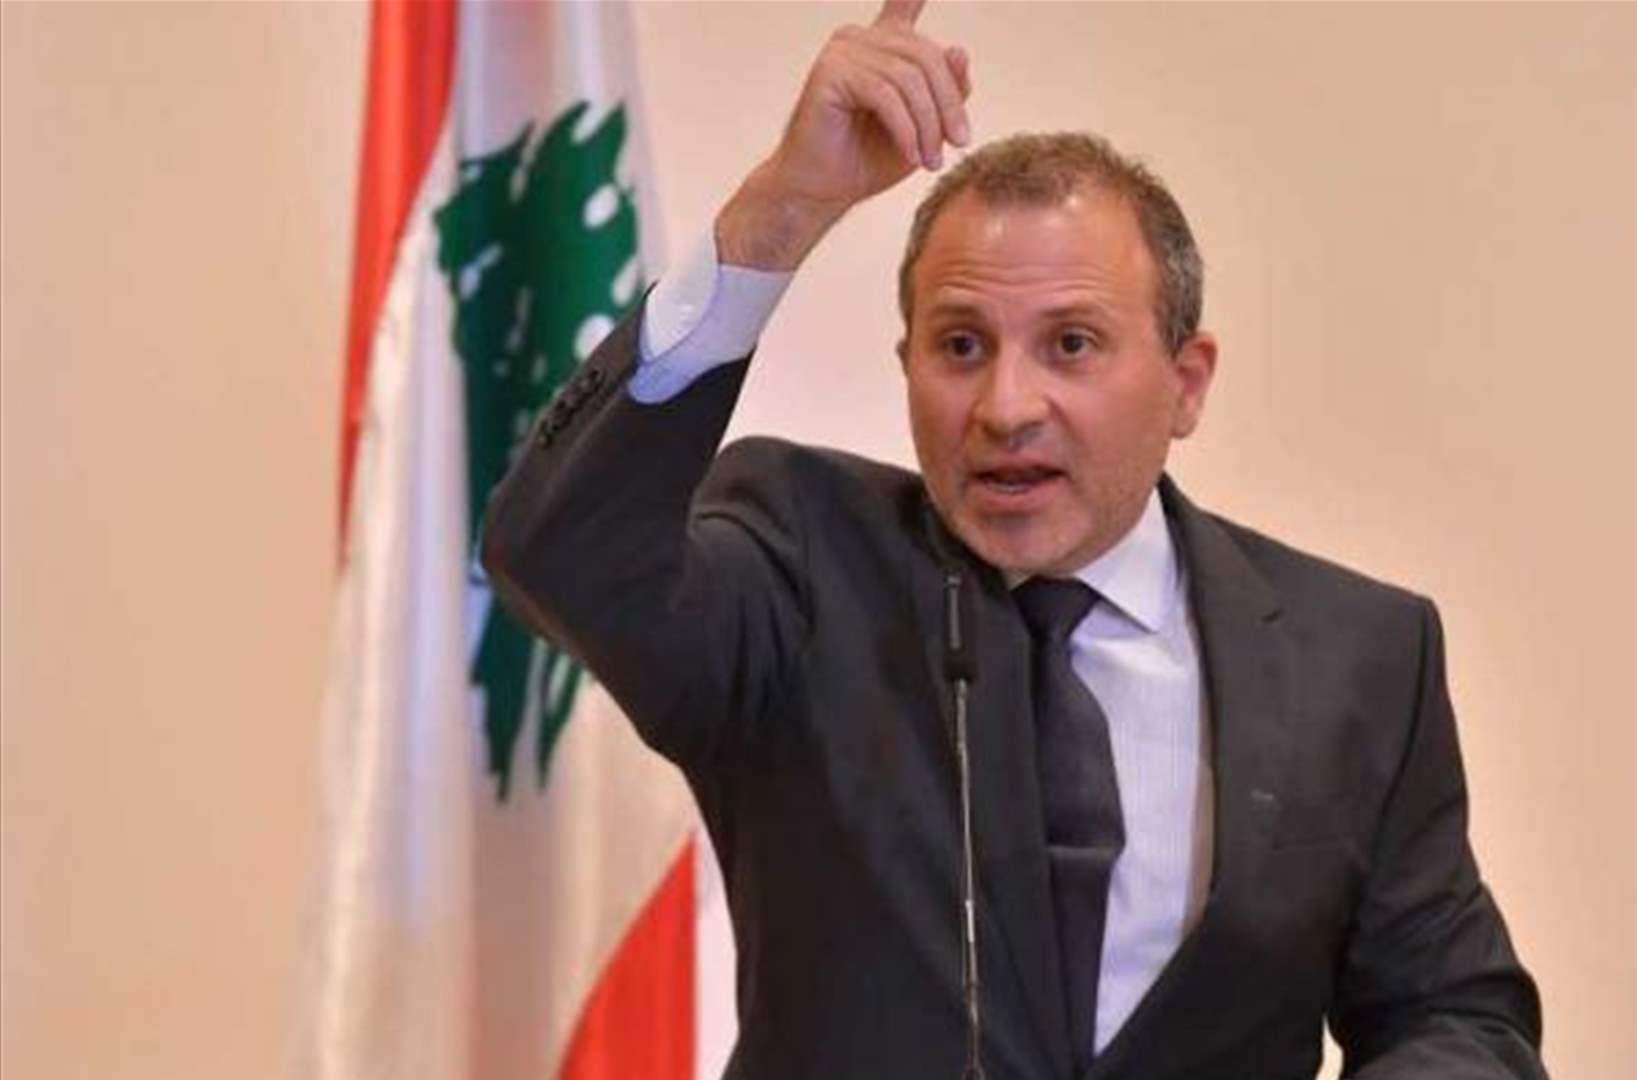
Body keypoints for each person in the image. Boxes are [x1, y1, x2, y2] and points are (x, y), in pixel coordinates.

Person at [482, 2, 1547, 1077]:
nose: (1006, 407)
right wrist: (784, 208)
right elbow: (562, 553)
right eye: (961, 345)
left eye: (1071, 345)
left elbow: (1456, 1018)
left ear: (1186, 384)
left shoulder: (1357, 655)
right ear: (907, 365)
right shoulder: (800, 559)